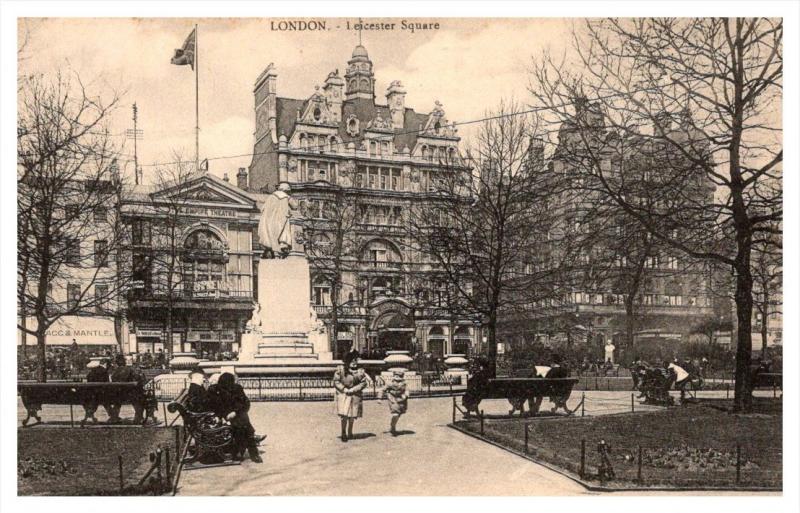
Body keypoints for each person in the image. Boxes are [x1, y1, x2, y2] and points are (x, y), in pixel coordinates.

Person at [207, 372, 264, 463]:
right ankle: (252, 453)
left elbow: (245, 403)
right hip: (224, 416)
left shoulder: (237, 388)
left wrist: (235, 412)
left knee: (242, 422)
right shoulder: (215, 390)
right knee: (245, 426)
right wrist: (224, 415)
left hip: (236, 415)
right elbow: (215, 406)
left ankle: (239, 452)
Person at [333, 357, 373, 442]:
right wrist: (344, 389)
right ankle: (343, 432)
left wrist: (353, 389)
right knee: (344, 415)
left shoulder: (360, 371)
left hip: (355, 395)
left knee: (352, 415)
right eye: (351, 360)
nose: (354, 362)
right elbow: (336, 381)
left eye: (355, 360)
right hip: (344, 394)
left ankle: (350, 431)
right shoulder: (341, 370)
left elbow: (363, 383)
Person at [108, 354, 147, 423]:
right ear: (124, 361)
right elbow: (137, 380)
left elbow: (113, 380)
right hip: (129, 394)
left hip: (117, 395)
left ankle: (114, 417)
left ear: (117, 362)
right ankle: (138, 417)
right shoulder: (129, 370)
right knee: (138, 400)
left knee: (117, 404)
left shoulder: (115, 372)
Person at [380, 370, 409, 436]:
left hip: (402, 400)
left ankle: (392, 426)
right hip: (393, 399)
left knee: (399, 414)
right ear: (394, 376)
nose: (398, 377)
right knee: (395, 413)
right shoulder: (390, 383)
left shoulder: (404, 383)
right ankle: (392, 427)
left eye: (399, 376)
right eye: (396, 376)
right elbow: (382, 390)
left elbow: (407, 390)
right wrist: (379, 398)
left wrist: (406, 395)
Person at [82, 358, 110, 425]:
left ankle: (88, 415)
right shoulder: (104, 371)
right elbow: (107, 383)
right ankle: (113, 415)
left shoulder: (92, 372)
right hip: (102, 394)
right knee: (106, 402)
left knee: (92, 402)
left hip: (93, 394)